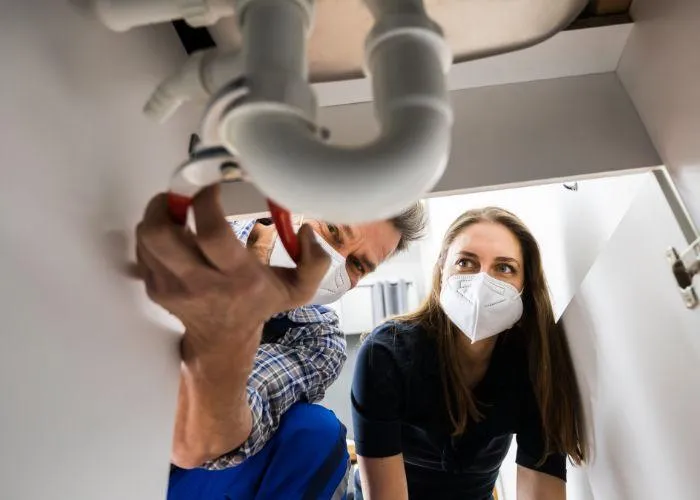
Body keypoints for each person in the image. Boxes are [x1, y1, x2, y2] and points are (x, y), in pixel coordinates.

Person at [135, 186, 426, 499]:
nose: (333, 262)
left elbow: (197, 443)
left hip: (177, 468)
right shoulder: (195, 227)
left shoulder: (317, 337)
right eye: (331, 230)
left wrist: (247, 309)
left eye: (358, 265)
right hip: (99, 424)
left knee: (316, 433)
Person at [351, 207, 588, 500]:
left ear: (525, 286)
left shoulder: (536, 364)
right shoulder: (386, 356)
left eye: (504, 268)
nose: (481, 284)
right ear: (441, 271)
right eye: (465, 262)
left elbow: (542, 490)